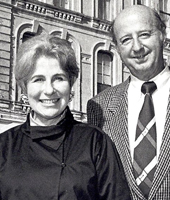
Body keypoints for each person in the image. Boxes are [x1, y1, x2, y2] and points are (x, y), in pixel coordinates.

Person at [87, 5, 170, 200]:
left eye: (145, 34)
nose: (137, 47)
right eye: (126, 40)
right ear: (117, 48)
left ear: (162, 34)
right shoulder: (100, 107)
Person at [0, 35, 132, 200]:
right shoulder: (4, 146)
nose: (49, 90)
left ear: (71, 86)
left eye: (58, 79)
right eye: (38, 79)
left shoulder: (95, 143)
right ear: (24, 90)